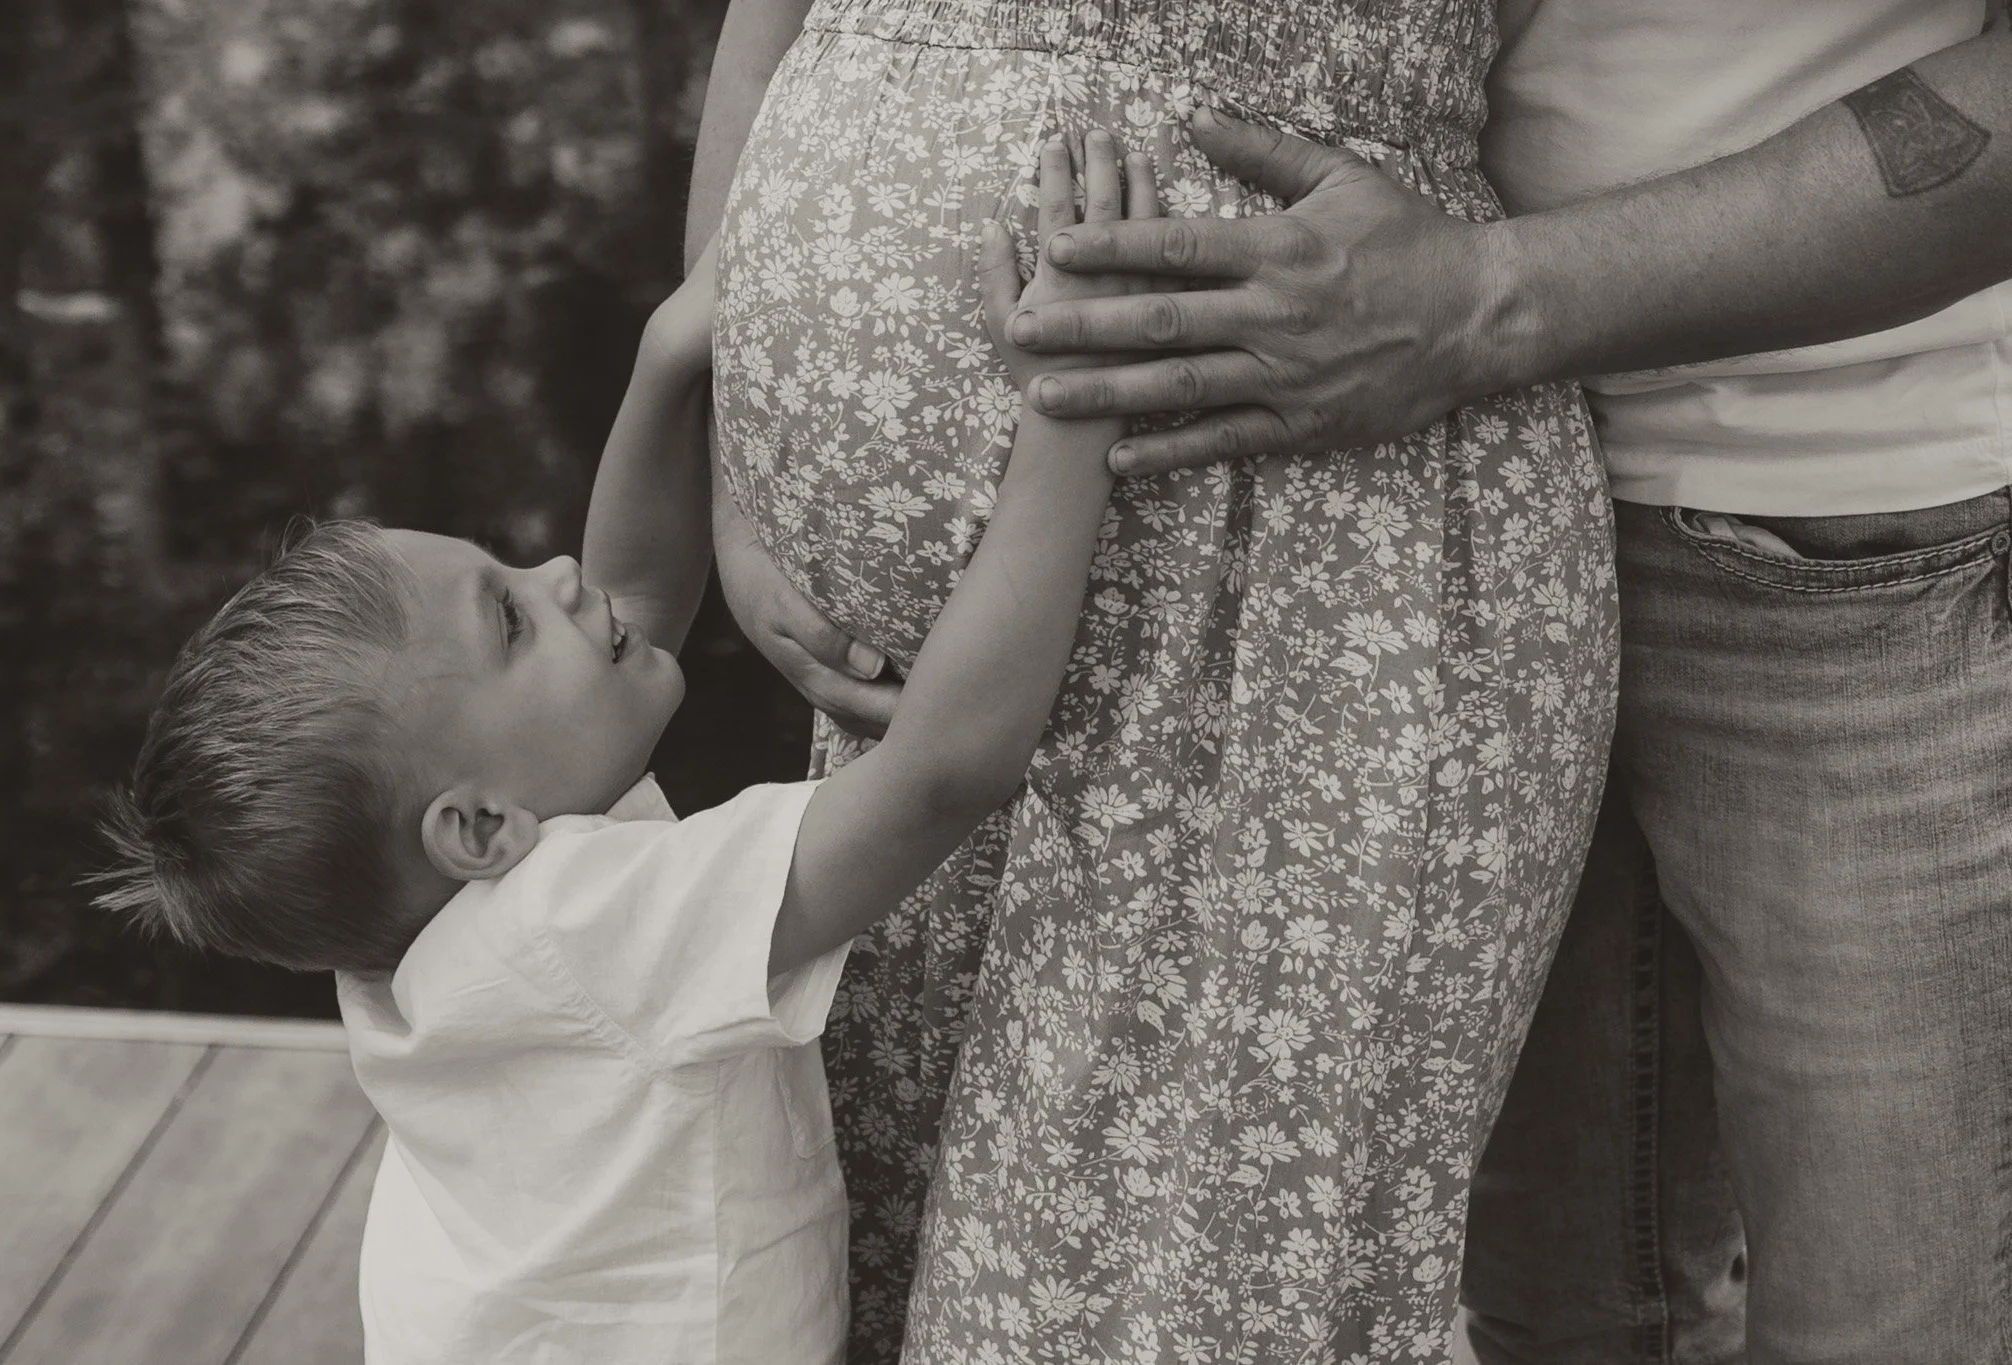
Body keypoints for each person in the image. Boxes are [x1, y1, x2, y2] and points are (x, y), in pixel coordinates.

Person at [798, 2, 2011, 1360]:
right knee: (1570, 1313)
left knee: (1887, 1315)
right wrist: (736, 396)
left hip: (1836, 517)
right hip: (1414, 517)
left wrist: (1482, 298)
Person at [87, 152, 1158, 1364]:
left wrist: (668, 357)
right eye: (507, 618)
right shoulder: (574, 932)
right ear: (476, 828)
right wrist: (1067, 412)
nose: (556, 574)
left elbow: (629, 599)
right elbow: (941, 771)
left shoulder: (423, 911)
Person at [692, 0, 1618, 1359]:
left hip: (1301, 582)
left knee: (1157, 1304)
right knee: (844, 1267)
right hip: (888, 691)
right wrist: (735, 450)